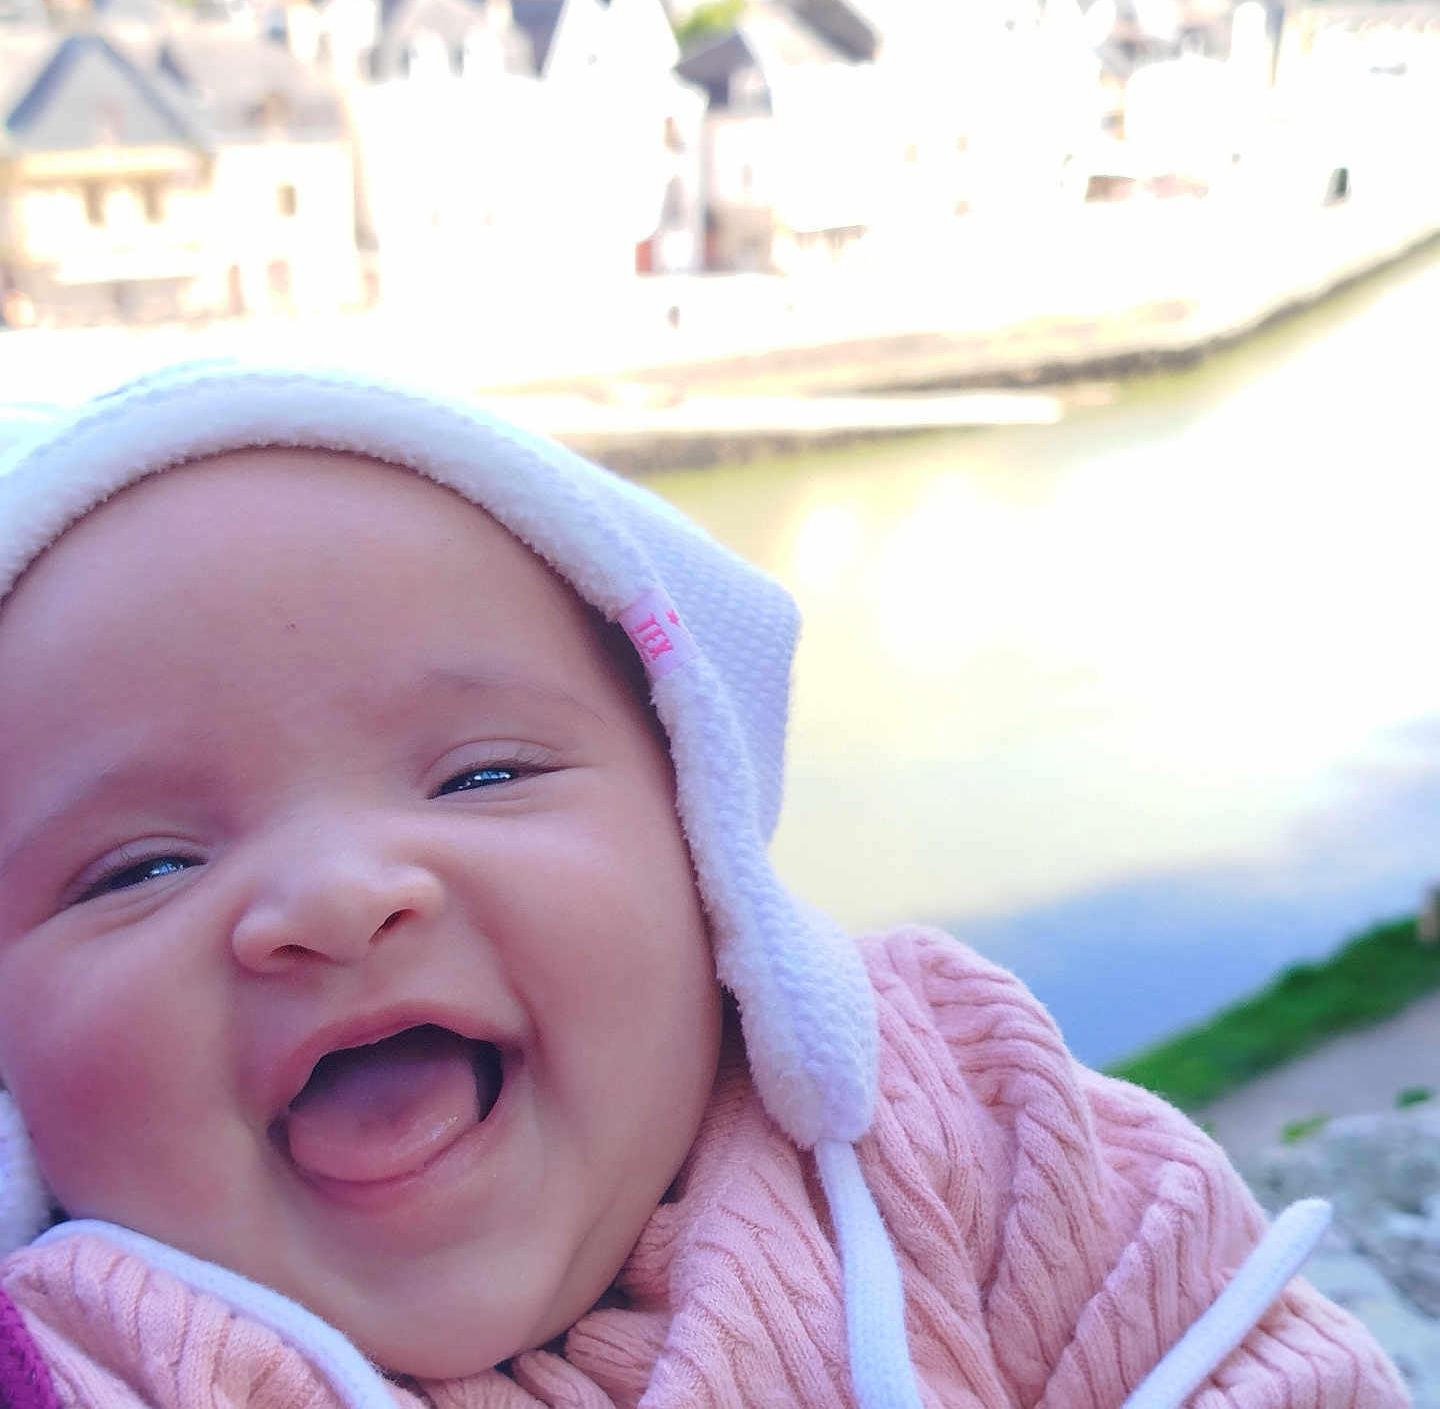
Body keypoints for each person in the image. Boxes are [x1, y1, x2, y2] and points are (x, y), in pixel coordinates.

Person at [0, 362, 1409, 1409]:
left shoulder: (944, 1114)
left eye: (481, 776)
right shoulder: (89, 1361)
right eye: (145, 866)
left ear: (702, 851)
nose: (338, 897)